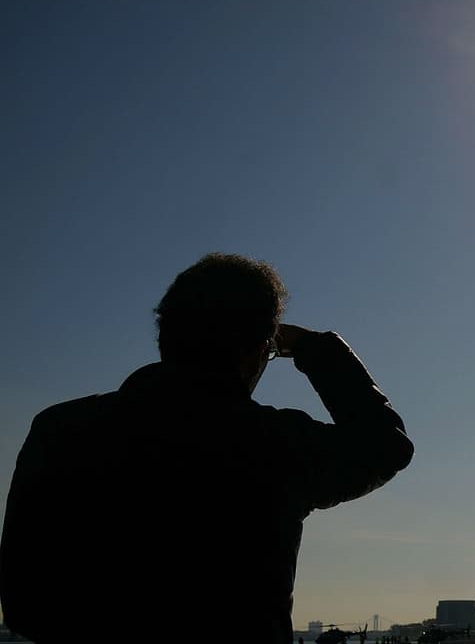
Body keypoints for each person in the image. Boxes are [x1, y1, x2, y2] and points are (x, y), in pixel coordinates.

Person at [0, 253, 414, 643]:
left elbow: (23, 605)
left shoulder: (61, 431)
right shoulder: (276, 443)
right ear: (257, 351)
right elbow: (385, 447)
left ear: (165, 334)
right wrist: (317, 350)